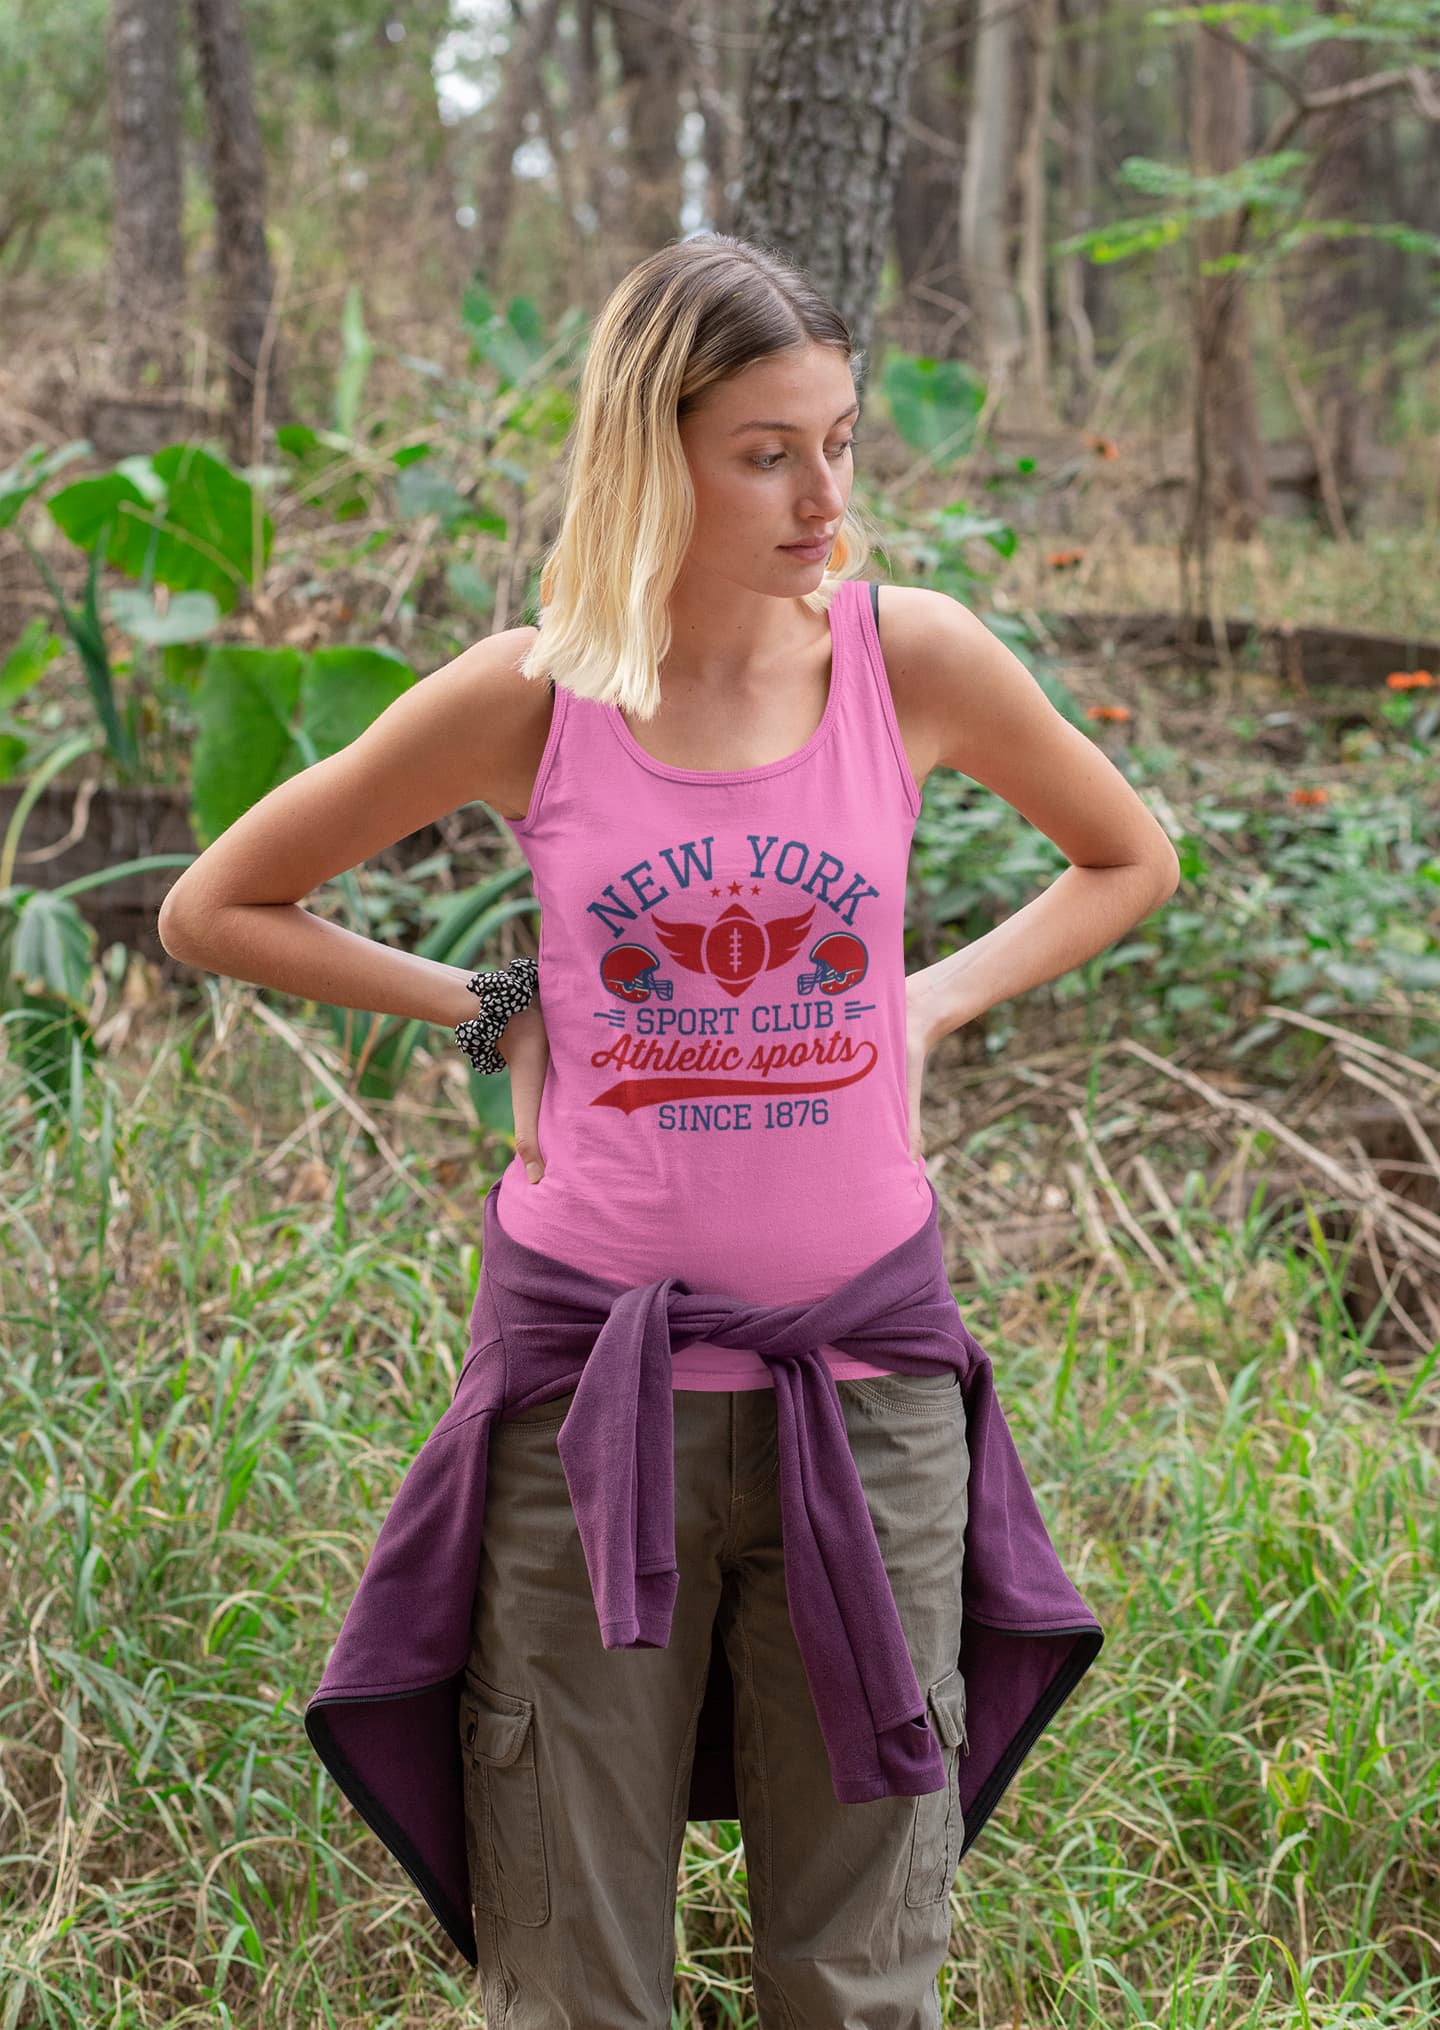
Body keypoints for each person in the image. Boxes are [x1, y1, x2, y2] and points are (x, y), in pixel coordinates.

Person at [158, 234, 1177, 2027]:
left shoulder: (906, 659)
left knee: (857, 1972)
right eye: (768, 449)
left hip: (865, 1401)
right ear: (653, 450)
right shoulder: (534, 696)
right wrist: (486, 1006)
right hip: (588, 1405)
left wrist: (927, 999)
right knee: (574, 1969)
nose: (823, 491)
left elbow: (1127, 856)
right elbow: (219, 903)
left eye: (840, 441)